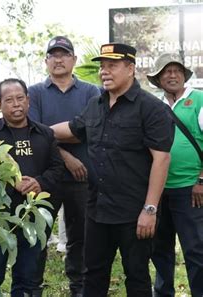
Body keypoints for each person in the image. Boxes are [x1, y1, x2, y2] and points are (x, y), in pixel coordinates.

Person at [51, 43, 174, 297]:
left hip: (135, 213)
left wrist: (149, 209)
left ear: (130, 68)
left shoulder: (151, 108)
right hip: (97, 210)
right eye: (102, 66)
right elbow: (73, 129)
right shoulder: (96, 105)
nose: (105, 72)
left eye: (112, 66)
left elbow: (161, 160)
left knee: (137, 277)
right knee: (93, 275)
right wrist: (31, 130)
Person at [0, 78, 65, 297]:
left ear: (28, 100)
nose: (16, 104)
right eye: (9, 100)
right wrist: (8, 179)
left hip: (33, 218)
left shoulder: (45, 133)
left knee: (29, 279)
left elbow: (57, 169)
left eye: (20, 98)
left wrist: (39, 182)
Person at [28, 36, 101, 296]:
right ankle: (31, 288)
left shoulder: (92, 92)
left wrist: (52, 133)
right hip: (46, 177)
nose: (58, 59)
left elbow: (91, 129)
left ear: (74, 60)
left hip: (83, 177)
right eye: (53, 55)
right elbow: (33, 133)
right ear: (46, 61)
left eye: (64, 54)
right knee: (38, 237)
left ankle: (79, 289)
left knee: (80, 237)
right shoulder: (34, 93)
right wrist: (66, 156)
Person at [147, 53, 203, 297]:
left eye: (176, 71)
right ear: (158, 79)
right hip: (159, 190)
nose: (172, 75)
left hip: (191, 189)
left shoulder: (199, 100)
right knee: (160, 250)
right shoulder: (153, 106)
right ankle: (163, 294)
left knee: (196, 250)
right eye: (166, 72)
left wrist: (202, 180)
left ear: (184, 75)